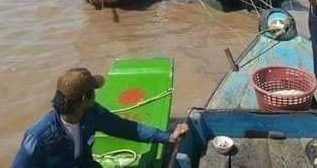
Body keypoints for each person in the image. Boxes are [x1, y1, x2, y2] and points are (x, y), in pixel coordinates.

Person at [12, 67, 188, 167]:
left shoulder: (92, 114)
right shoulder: (38, 138)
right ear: (85, 98)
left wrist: (168, 137)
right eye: (93, 91)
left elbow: (127, 128)